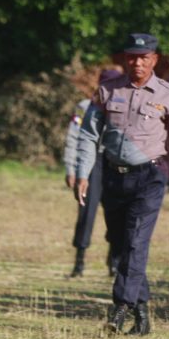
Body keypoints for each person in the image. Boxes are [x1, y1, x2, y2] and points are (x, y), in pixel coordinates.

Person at [75, 33, 169, 336]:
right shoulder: (106, 90)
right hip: (112, 177)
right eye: (132, 56)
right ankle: (142, 316)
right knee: (120, 245)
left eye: (144, 57)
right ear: (125, 59)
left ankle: (120, 308)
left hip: (149, 177)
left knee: (135, 243)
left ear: (154, 59)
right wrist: (82, 173)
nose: (138, 62)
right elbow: (89, 135)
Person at [64, 68, 123, 278]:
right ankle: (79, 262)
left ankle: (114, 261)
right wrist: (71, 168)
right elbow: (73, 138)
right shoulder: (84, 107)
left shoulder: (125, 107)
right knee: (86, 210)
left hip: (115, 162)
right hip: (93, 161)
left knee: (116, 212)